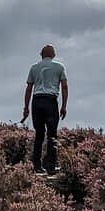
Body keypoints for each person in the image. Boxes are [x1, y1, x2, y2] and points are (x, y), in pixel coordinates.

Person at [22, 44, 68, 175]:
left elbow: (29, 88)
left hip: (37, 101)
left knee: (39, 134)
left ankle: (37, 166)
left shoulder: (34, 68)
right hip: (50, 101)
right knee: (52, 134)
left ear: (41, 54)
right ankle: (51, 166)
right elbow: (64, 87)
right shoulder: (59, 67)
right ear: (53, 54)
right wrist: (64, 106)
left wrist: (26, 107)